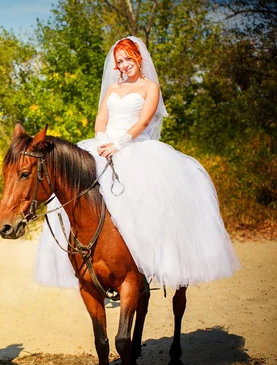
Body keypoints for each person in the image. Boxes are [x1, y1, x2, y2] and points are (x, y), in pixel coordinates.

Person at [36, 37, 241, 289]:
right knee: (74, 190)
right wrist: (102, 141)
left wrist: (118, 144)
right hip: (104, 146)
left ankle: (144, 257)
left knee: (145, 200)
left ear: (138, 57)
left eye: (127, 58)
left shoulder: (150, 87)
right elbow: (100, 118)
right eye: (119, 61)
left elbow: (144, 121)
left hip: (135, 147)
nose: (124, 65)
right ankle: (86, 254)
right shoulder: (113, 90)